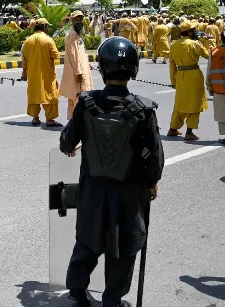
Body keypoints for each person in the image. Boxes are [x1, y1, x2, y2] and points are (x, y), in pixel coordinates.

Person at [60, 36, 164, 307]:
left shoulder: (86, 103)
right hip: (128, 193)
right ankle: (112, 299)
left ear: (102, 68)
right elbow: (155, 156)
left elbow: (66, 142)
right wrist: (152, 183)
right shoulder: (143, 110)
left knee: (87, 240)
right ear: (133, 69)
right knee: (123, 246)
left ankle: (78, 293)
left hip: (92, 190)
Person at [167, 20, 209, 141]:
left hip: (180, 76)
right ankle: (189, 131)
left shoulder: (174, 45)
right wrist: (206, 42)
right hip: (194, 75)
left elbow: (171, 65)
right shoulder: (194, 44)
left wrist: (173, 81)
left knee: (180, 103)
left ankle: (173, 128)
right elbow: (207, 55)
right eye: (193, 30)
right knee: (195, 103)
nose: (195, 31)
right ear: (189, 32)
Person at [21, 18, 62, 127]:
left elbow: (24, 59)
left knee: (34, 95)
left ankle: (35, 118)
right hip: (46, 74)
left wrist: (24, 73)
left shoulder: (28, 41)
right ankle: (50, 119)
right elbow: (56, 56)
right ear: (44, 27)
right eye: (47, 26)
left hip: (32, 74)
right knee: (50, 95)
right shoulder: (48, 40)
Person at [59, 11, 94, 119]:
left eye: (80, 19)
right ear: (72, 20)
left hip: (81, 69)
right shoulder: (72, 34)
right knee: (78, 97)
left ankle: (73, 121)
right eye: (77, 19)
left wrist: (87, 65)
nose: (79, 22)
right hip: (77, 72)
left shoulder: (77, 33)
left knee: (74, 97)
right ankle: (78, 122)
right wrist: (79, 72)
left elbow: (80, 52)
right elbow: (74, 55)